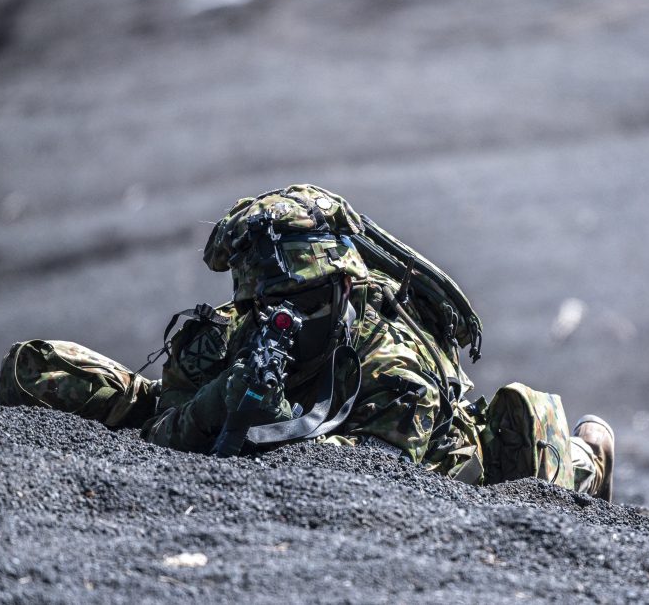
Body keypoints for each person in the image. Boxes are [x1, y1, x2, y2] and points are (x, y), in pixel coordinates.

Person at [140, 184, 615, 500]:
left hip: (455, 468)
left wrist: (279, 426)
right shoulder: (222, 342)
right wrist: (211, 405)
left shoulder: (394, 367)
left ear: (345, 288)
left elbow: (368, 482)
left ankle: (592, 453)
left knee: (537, 461)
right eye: (271, 306)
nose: (290, 319)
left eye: (308, 301)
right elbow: (153, 435)